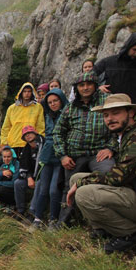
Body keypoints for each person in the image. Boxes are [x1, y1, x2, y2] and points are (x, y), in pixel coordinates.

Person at [67, 94, 136, 253]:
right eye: (106, 115)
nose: (110, 119)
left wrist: (82, 183)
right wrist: (80, 181)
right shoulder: (127, 135)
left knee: (84, 193)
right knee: (76, 178)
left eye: (115, 113)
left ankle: (130, 234)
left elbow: (119, 177)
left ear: (130, 113)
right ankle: (104, 228)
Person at [52, 70, 115, 226]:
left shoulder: (107, 101)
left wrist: (110, 148)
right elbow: (58, 132)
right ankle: (63, 223)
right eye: (81, 85)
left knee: (109, 176)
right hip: (75, 156)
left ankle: (103, 223)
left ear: (95, 85)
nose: (85, 88)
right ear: (77, 88)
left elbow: (118, 127)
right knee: (69, 187)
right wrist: (62, 156)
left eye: (89, 84)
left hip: (99, 154)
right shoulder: (70, 107)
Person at [32, 89, 68, 228]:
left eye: (55, 101)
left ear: (61, 100)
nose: (53, 104)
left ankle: (53, 219)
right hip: (47, 157)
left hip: (60, 157)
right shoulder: (47, 116)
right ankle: (37, 219)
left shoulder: (67, 114)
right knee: (43, 189)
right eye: (50, 102)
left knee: (54, 190)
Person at [93, 33, 136, 105]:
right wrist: (98, 88)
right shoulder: (108, 62)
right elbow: (88, 77)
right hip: (110, 105)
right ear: (128, 47)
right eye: (135, 49)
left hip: (132, 106)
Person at [0, 82, 45, 157]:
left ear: (32, 93)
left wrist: (39, 141)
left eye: (29, 91)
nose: (27, 93)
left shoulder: (38, 107)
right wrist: (4, 143)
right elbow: (6, 127)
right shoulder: (12, 108)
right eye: (25, 91)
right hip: (14, 143)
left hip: (30, 143)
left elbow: (40, 126)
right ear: (21, 92)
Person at [13, 126, 44, 219]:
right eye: (25, 135)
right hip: (31, 176)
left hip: (43, 175)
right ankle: (20, 210)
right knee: (18, 183)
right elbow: (23, 167)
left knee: (39, 183)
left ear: (35, 133)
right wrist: (29, 177)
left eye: (29, 133)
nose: (28, 135)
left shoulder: (44, 144)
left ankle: (32, 212)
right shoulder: (26, 149)